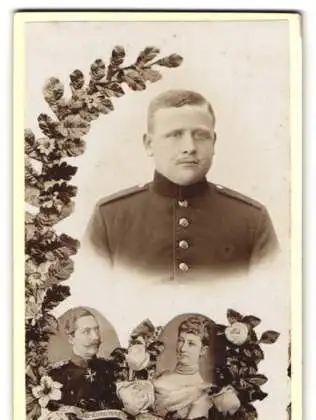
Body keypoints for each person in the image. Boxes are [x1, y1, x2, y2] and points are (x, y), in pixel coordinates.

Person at [85, 89, 279, 281]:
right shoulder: (109, 218)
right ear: (148, 144)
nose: (190, 148)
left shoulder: (252, 219)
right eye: (175, 135)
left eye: (201, 135)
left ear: (214, 142)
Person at [48, 307, 120, 420]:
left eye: (96, 330)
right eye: (87, 332)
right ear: (71, 338)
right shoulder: (56, 377)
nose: (96, 337)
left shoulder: (112, 369)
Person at [153, 316, 214, 420]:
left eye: (191, 344)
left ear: (203, 350)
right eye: (181, 340)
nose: (183, 348)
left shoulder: (201, 392)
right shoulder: (163, 374)